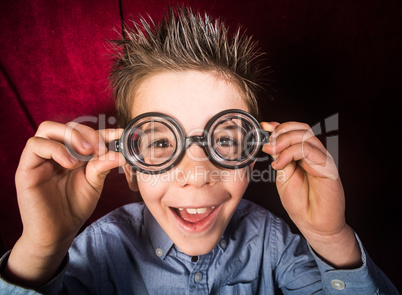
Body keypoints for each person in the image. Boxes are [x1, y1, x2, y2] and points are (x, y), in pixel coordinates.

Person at [0, 6, 398, 295]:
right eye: (160, 143)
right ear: (131, 167)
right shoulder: (101, 249)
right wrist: (40, 249)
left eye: (224, 140)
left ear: (255, 149)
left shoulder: (273, 244)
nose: (196, 173)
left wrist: (330, 238)